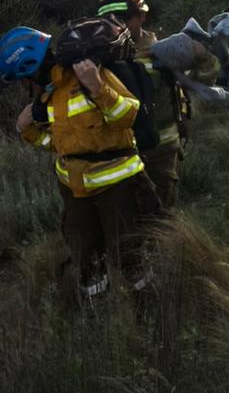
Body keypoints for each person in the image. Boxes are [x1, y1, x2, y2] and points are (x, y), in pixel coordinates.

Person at [4, 20, 161, 299]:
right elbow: (62, 145)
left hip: (119, 186)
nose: (23, 84)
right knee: (86, 258)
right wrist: (26, 130)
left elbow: (127, 115)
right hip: (76, 191)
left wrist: (98, 88)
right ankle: (96, 316)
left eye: (21, 77)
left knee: (130, 255)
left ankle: (149, 312)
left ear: (28, 67)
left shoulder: (88, 76)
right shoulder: (49, 96)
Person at [98, 0, 206, 208]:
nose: (120, 25)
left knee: (161, 207)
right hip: (119, 151)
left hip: (161, 147)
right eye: (111, 19)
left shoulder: (163, 51)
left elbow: (196, 81)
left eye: (126, 18)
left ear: (142, 16)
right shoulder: (99, 55)